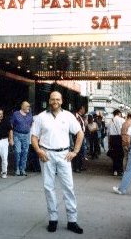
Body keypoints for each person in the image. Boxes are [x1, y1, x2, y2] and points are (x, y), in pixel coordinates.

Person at [31, 91, 84, 234]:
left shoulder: (68, 116)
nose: (55, 101)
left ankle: (72, 220)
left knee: (68, 187)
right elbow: (34, 136)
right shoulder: (41, 117)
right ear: (49, 100)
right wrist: (38, 150)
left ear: (62, 101)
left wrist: (75, 151)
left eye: (58, 99)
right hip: (46, 154)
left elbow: (80, 133)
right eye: (53, 99)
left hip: (64, 155)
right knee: (49, 187)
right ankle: (53, 219)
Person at [11, 101, 33, 176]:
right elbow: (11, 124)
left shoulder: (29, 114)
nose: (28, 108)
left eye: (29, 106)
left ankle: (22, 169)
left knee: (25, 152)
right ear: (22, 106)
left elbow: (30, 124)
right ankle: (17, 168)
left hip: (26, 135)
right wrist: (11, 137)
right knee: (18, 151)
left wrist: (26, 130)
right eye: (27, 106)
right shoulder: (16, 114)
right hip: (17, 135)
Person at [107, 109, 125, 176]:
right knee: (120, 154)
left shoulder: (110, 121)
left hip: (112, 138)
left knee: (114, 155)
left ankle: (115, 170)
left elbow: (108, 133)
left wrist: (109, 142)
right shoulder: (122, 120)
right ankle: (120, 170)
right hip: (119, 138)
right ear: (119, 113)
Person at [72, 104, 87, 173]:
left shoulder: (81, 117)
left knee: (81, 152)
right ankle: (76, 167)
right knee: (77, 152)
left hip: (82, 136)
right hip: (77, 136)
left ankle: (80, 166)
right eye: (83, 109)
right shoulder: (76, 116)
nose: (84, 110)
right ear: (80, 109)